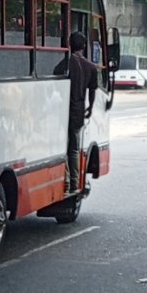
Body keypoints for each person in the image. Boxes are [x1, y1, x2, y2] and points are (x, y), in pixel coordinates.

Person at [54, 31, 98, 192]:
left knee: (62, 146)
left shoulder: (65, 64)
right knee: (73, 148)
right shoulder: (90, 67)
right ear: (84, 46)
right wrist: (90, 108)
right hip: (78, 110)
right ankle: (74, 183)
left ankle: (64, 181)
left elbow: (55, 79)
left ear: (69, 45)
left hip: (63, 110)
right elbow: (93, 90)